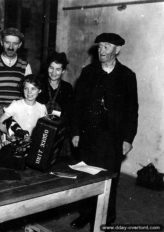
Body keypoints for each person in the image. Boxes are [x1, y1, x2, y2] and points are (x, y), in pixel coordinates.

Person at [70, 33, 138, 229]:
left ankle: (107, 219)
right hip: (89, 136)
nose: (101, 50)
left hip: (113, 139)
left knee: (109, 179)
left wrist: (128, 138)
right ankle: (85, 214)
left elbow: (132, 110)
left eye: (106, 47)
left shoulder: (127, 76)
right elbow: (77, 105)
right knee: (86, 177)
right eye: (100, 47)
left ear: (117, 50)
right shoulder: (88, 73)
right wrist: (75, 132)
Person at [0, 27, 32, 117]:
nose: (10, 47)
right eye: (7, 43)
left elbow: (29, 93)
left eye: (15, 44)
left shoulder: (25, 66)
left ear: (20, 45)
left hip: (16, 113)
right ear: (1, 42)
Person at [37, 52, 74, 159]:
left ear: (63, 71)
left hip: (59, 132)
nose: (54, 72)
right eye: (51, 68)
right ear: (47, 67)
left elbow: (69, 113)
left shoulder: (67, 88)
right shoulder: (39, 83)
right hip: (40, 130)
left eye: (58, 69)